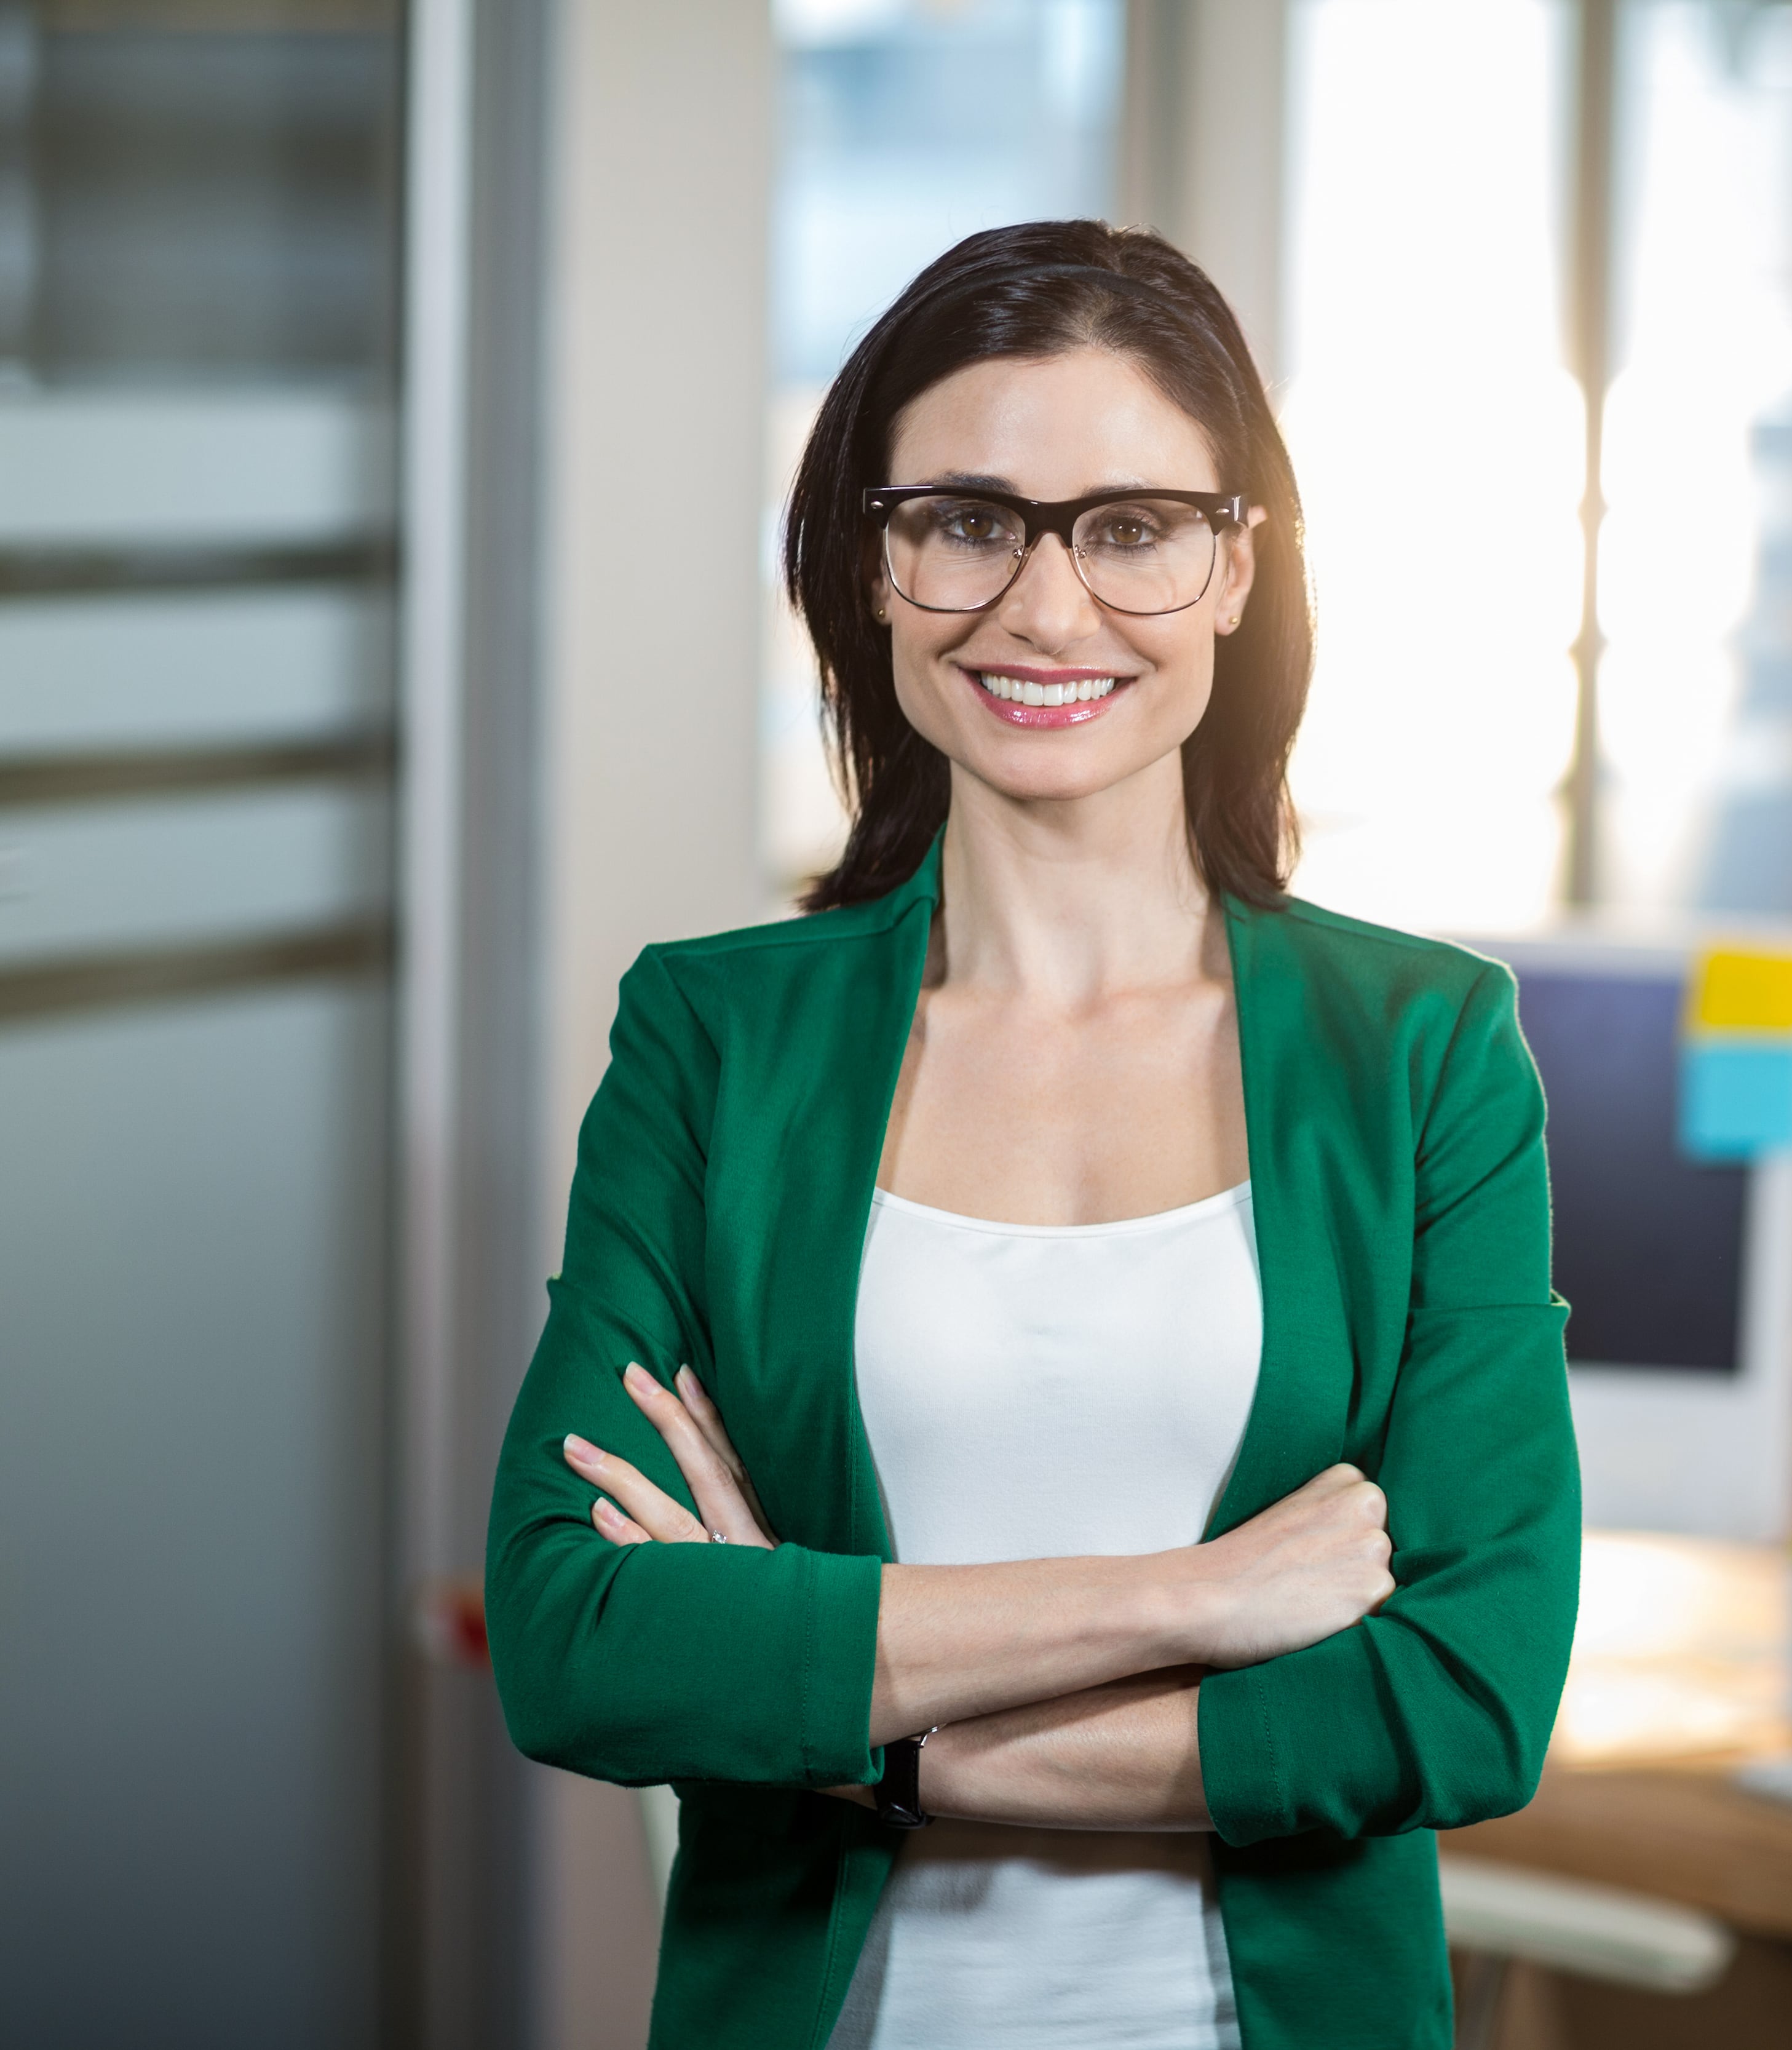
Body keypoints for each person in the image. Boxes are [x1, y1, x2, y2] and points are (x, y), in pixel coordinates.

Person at [484, 221, 1582, 2050]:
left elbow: (1458, 1703)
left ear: (1240, 569)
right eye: (968, 520)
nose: (1048, 610)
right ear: (874, 564)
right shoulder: (713, 1035)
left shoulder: (1427, 1052)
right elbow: (578, 1642)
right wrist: (1200, 1599)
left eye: (1133, 527)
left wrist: (836, 1708)